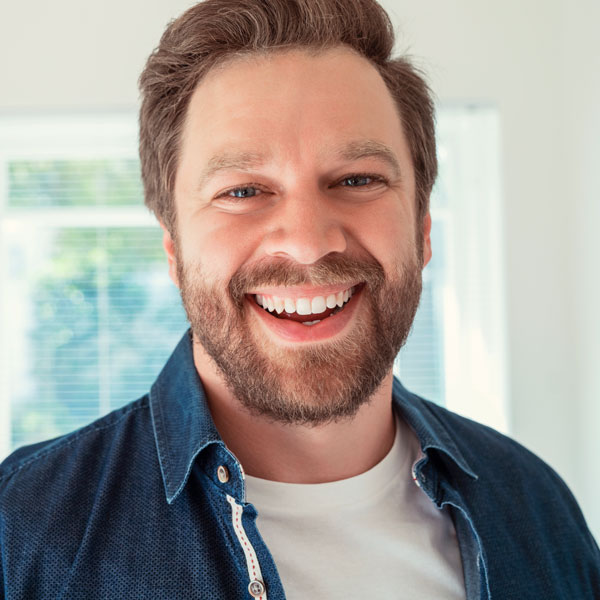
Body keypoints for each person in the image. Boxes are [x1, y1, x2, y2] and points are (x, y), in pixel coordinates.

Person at [1, 0, 599, 597]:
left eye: (358, 180)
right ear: (174, 250)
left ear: (422, 229)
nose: (310, 244)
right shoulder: (21, 531)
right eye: (242, 190)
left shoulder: (538, 509)